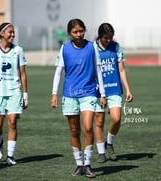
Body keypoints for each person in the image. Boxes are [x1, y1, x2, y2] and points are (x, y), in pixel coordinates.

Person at [50, 18, 106, 178]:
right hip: (69, 95)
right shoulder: (64, 49)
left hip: (89, 93)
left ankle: (88, 164)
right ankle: (79, 164)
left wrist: (102, 94)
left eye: (81, 31)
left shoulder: (92, 47)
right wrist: (54, 93)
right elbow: (58, 72)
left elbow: (98, 70)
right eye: (75, 32)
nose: (79, 34)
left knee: (87, 127)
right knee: (74, 130)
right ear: (69, 33)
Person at [0, 22, 28, 166]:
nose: (12, 35)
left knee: (13, 122)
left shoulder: (18, 50)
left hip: (15, 91)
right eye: (10, 32)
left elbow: (22, 73)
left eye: (13, 32)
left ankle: (10, 156)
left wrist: (25, 94)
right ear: (1, 34)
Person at [94, 23, 133, 163]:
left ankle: (109, 143)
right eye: (106, 38)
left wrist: (128, 89)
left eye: (111, 37)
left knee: (116, 118)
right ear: (100, 36)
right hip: (97, 92)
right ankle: (101, 153)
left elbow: (121, 70)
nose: (109, 40)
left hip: (115, 89)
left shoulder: (116, 47)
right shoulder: (92, 48)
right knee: (99, 121)